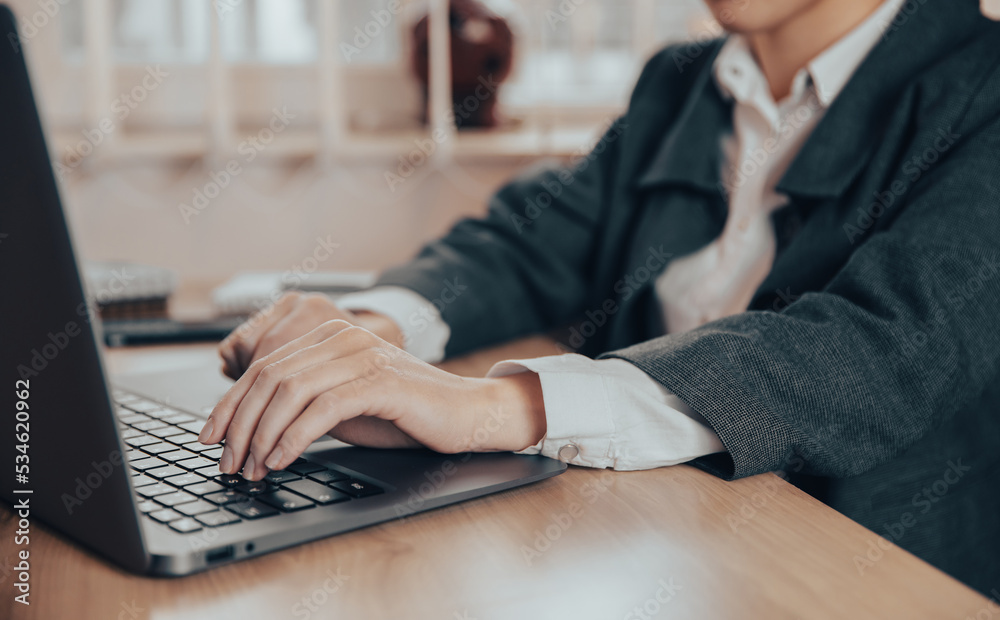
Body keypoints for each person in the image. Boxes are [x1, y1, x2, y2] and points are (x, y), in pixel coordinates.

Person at [199, 0, 1000, 594]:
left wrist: (484, 410)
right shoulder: (682, 82)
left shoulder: (981, 91)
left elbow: (877, 350)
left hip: (853, 580)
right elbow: (533, 242)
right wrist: (364, 336)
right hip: (658, 549)